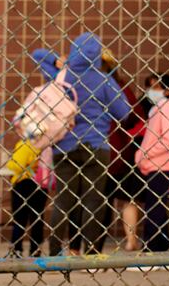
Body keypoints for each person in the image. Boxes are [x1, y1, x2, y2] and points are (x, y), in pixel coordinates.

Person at [51, 33, 132, 255]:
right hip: (96, 145)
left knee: (63, 201)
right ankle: (92, 254)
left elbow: (37, 55)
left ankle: (54, 253)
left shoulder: (63, 76)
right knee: (93, 200)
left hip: (64, 145)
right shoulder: (103, 79)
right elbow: (123, 112)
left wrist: (55, 60)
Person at [5, 48, 63, 257]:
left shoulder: (42, 94)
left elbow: (37, 54)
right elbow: (38, 54)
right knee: (36, 215)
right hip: (42, 171)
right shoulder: (65, 91)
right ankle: (35, 249)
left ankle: (19, 249)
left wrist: (56, 60)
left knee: (21, 216)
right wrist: (58, 61)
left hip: (28, 172)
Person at [136, 73, 169, 252]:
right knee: (155, 208)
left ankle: (152, 249)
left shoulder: (166, 106)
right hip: (153, 165)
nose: (151, 91)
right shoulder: (157, 107)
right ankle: (160, 248)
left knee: (154, 209)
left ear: (167, 90)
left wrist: (146, 153)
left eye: (156, 87)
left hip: (160, 165)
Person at [108, 75, 154, 250]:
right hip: (129, 154)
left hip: (117, 153)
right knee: (130, 199)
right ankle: (132, 240)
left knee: (107, 199)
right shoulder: (123, 91)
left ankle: (129, 240)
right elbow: (133, 115)